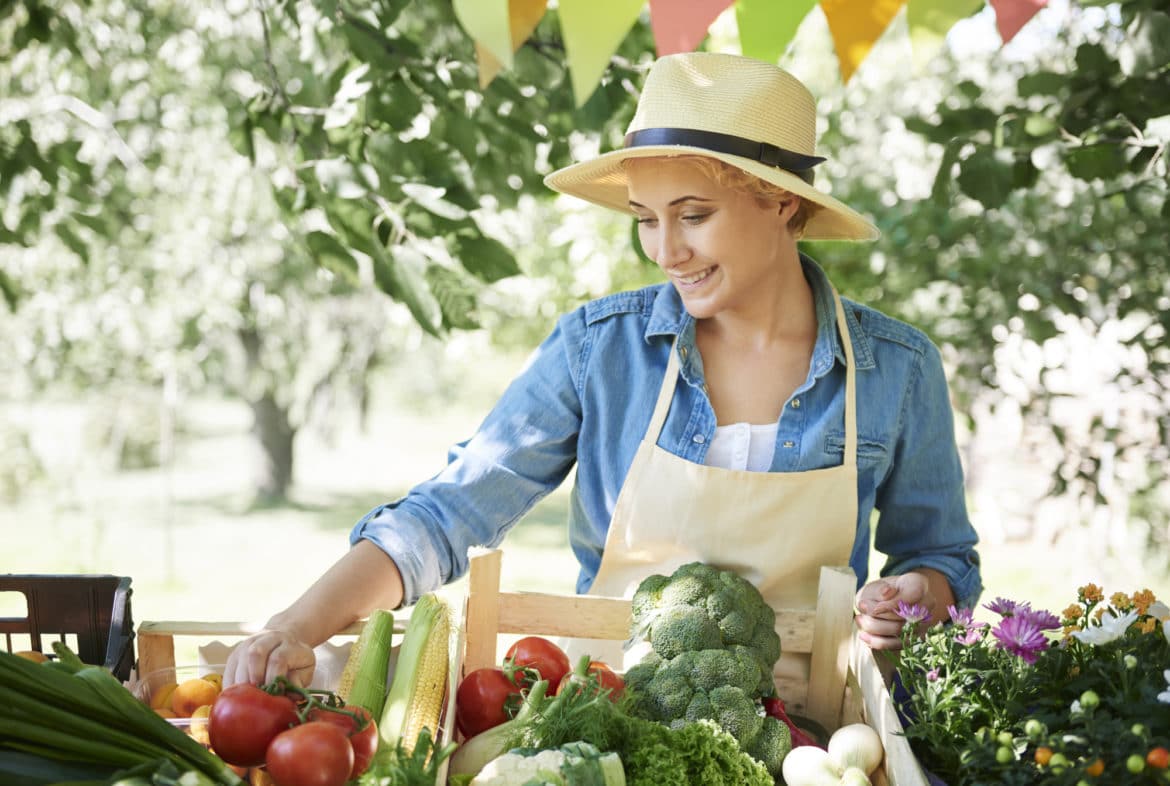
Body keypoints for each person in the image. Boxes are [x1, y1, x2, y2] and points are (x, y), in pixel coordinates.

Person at [223, 51, 982, 689]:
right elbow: (448, 514)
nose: (665, 251)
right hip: (605, 721)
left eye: (692, 215)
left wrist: (917, 595)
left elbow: (940, 560)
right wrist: (297, 625)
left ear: (782, 202)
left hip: (814, 736)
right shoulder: (600, 350)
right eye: (645, 220)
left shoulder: (895, 369)